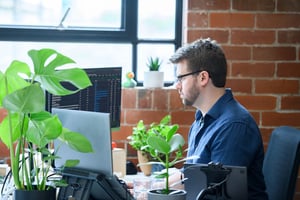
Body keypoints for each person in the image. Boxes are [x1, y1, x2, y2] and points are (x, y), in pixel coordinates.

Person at [169, 38, 268, 199]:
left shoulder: (234, 126)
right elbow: (195, 176)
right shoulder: (201, 120)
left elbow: (217, 194)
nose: (177, 85)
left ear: (203, 78)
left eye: (181, 78)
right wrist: (155, 187)